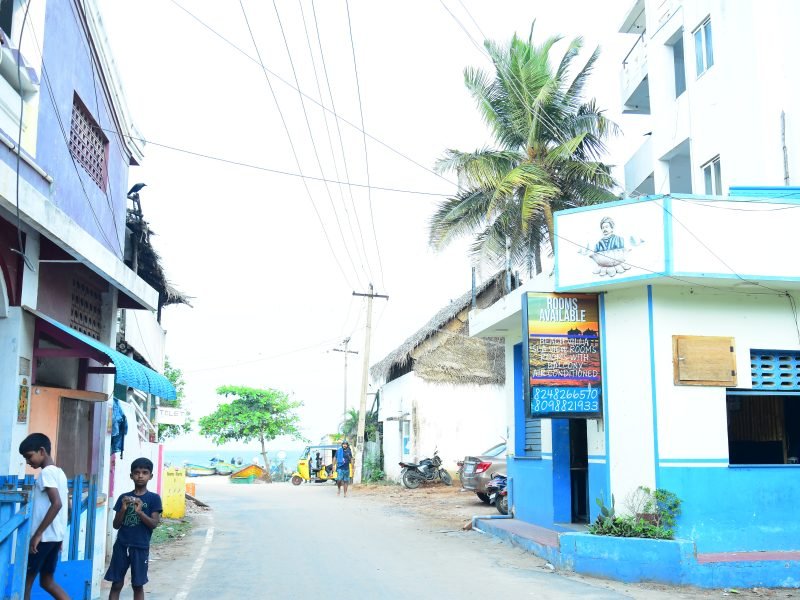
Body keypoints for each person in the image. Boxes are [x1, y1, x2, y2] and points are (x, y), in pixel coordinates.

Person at [19, 433, 69, 600]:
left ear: (41, 451)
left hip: (44, 538)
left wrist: (38, 534)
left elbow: (57, 504)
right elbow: (67, 507)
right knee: (47, 581)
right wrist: (60, 535)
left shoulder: (46, 473)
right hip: (54, 537)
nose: (28, 461)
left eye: (29, 456)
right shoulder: (60, 473)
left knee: (25, 582)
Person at [105, 457, 162, 600]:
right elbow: (116, 525)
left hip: (140, 547)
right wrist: (123, 509)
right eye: (137, 473)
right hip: (122, 545)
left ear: (150, 476)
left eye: (145, 473)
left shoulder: (154, 498)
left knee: (137, 585)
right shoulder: (123, 498)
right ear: (131, 476)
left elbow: (154, 524)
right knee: (116, 584)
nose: (140, 476)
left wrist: (140, 512)